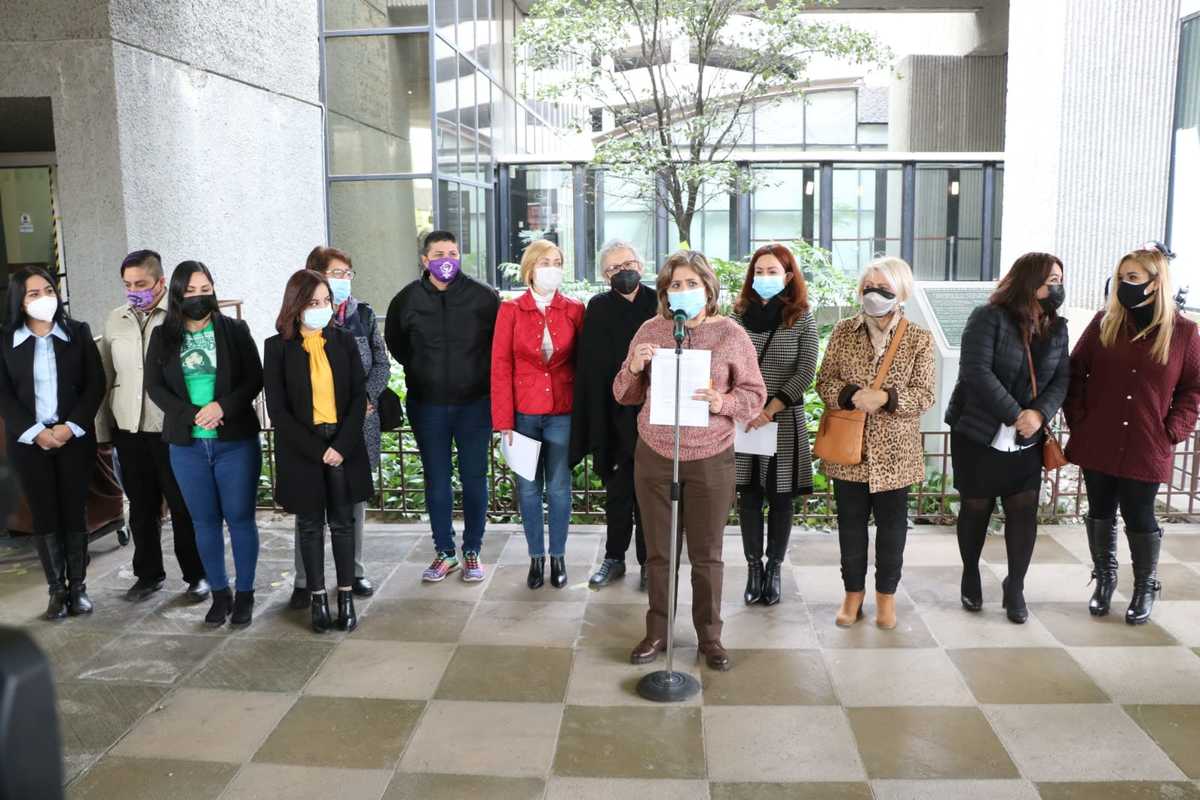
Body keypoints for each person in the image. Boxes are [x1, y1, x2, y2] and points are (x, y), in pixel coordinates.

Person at [614, 250, 766, 672]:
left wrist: (724, 401)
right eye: (675, 285)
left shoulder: (731, 335)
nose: (683, 291)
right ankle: (657, 632)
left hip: (711, 457)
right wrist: (632, 366)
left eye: (691, 284)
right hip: (656, 452)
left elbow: (755, 395)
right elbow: (623, 394)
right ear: (664, 292)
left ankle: (710, 637)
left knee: (707, 554)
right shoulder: (651, 330)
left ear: (708, 288)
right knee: (659, 554)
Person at [1064, 246, 1200, 624]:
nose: (1123, 285)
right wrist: (1079, 418)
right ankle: (1105, 581)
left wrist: (1173, 429)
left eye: (1133, 279)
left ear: (1157, 284)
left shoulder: (1185, 332)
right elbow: (1075, 372)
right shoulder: (1104, 322)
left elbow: (1194, 388)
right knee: (1100, 512)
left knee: (1139, 515)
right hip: (1099, 439)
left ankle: (1144, 586)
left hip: (1147, 442)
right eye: (1122, 278)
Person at [948, 252, 1069, 625]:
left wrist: (1038, 414)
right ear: (1028, 279)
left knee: (1023, 511)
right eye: (1050, 278)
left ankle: (1014, 586)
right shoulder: (988, 317)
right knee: (976, 508)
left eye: (1060, 279)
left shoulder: (1057, 327)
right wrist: (1015, 413)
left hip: (1027, 438)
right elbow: (976, 371)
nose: (1057, 286)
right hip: (979, 432)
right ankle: (970, 571)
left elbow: (1061, 378)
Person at [815, 257, 935, 630]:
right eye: (868, 288)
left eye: (883, 289)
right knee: (850, 527)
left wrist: (886, 399)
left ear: (900, 293)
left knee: (892, 529)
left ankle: (886, 596)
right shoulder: (843, 331)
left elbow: (926, 394)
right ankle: (853, 595)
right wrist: (852, 395)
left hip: (895, 452)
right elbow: (824, 382)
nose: (874, 295)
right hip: (849, 450)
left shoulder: (917, 338)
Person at [145, 261, 263, 628]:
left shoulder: (234, 330)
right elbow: (155, 387)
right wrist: (192, 414)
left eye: (205, 288)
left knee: (240, 519)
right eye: (191, 291)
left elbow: (254, 378)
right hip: (187, 445)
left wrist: (221, 407)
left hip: (235, 442)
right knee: (204, 522)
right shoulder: (163, 336)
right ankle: (219, 593)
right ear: (177, 294)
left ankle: (245, 594)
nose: (199, 296)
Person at [386, 232, 500, 583]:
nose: (446, 258)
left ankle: (472, 550)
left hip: (475, 405)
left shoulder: (484, 298)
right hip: (428, 405)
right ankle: (444, 552)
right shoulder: (406, 300)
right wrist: (424, 370)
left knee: (474, 479)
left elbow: (498, 348)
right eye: (438, 253)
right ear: (425, 259)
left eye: (452, 252)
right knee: (437, 480)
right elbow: (397, 344)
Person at [265, 270, 373, 633]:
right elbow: (278, 410)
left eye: (326, 302)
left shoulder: (342, 340)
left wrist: (339, 447)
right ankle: (316, 598)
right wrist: (318, 450)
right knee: (310, 526)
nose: (322, 309)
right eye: (313, 303)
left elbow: (359, 395)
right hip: (303, 449)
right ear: (296, 307)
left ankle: (344, 597)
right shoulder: (276, 347)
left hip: (343, 445)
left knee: (344, 524)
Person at [98, 250, 209, 602]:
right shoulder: (116, 319)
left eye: (141, 284)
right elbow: (105, 375)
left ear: (161, 282)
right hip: (129, 429)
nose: (133, 291)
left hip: (171, 429)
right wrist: (103, 431)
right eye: (127, 285)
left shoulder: (179, 318)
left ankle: (197, 575)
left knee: (182, 505)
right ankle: (147, 575)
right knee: (142, 507)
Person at [0, 267, 105, 619]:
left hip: (72, 438)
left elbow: (95, 385)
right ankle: (56, 591)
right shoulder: (5, 340)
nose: (44, 298)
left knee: (74, 510)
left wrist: (70, 427)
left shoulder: (77, 332)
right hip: (29, 442)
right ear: (19, 300)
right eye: (33, 293)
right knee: (44, 513)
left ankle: (78, 588)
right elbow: (4, 396)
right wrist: (36, 432)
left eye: (48, 289)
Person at [288, 246, 385, 610]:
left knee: (353, 504)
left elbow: (380, 362)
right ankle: (304, 580)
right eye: (335, 273)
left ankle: (354, 571)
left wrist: (367, 399)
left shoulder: (362, 314)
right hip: (314, 429)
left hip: (358, 425)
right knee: (308, 506)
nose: (342, 281)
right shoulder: (295, 325)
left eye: (347, 274)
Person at [492, 239, 585, 590]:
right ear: (530, 268)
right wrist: (503, 421)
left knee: (560, 488)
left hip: (563, 410)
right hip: (523, 413)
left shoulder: (575, 309)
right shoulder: (510, 311)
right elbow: (500, 365)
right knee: (528, 489)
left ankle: (558, 555)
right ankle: (536, 557)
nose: (552, 267)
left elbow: (583, 363)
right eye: (545, 261)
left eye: (558, 261)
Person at [730, 244, 819, 606]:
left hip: (782, 419)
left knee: (781, 498)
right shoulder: (735, 318)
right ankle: (754, 568)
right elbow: (726, 365)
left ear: (788, 276)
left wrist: (771, 408)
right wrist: (750, 408)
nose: (764, 277)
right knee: (749, 496)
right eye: (759, 271)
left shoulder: (801, 317)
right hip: (746, 420)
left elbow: (806, 369)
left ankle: (775, 568)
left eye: (773, 271)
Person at [569, 239, 657, 591]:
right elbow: (591, 367)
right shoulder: (599, 307)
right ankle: (614, 557)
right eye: (616, 268)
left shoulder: (659, 302)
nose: (625, 272)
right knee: (619, 490)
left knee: (651, 493)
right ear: (605, 275)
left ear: (642, 264)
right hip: (615, 414)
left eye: (630, 263)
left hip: (654, 413)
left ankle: (651, 561)